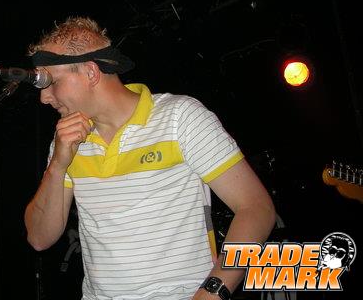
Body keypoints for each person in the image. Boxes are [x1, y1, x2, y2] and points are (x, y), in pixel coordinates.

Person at [24, 17, 276, 300]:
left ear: (91, 72)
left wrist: (212, 292)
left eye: (52, 82)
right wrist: (58, 166)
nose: (44, 97)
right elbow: (39, 238)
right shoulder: (67, 140)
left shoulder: (180, 117)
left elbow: (256, 209)